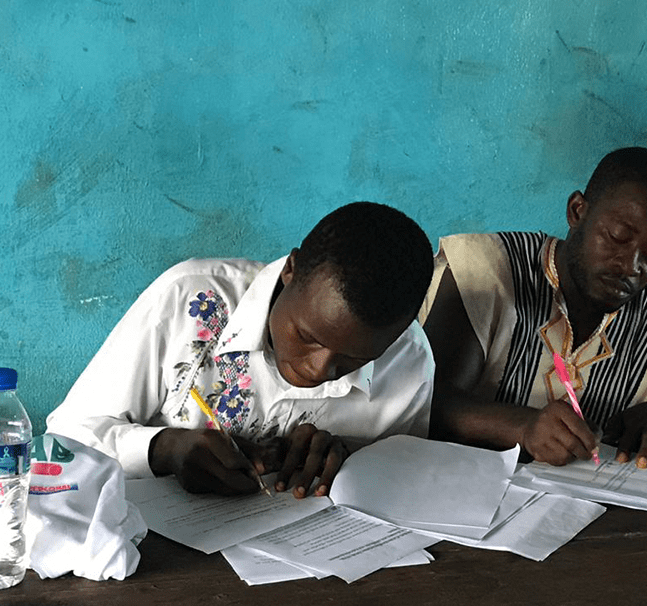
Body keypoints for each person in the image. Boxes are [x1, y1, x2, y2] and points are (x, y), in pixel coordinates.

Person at [47, 202, 435, 498]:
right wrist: (161, 449)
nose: (319, 370)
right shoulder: (192, 299)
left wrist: (354, 462)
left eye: (355, 358)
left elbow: (400, 489)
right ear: (291, 270)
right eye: (308, 336)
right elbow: (63, 442)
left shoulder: (408, 359)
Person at [421, 147, 647, 468]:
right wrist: (523, 427)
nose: (630, 266)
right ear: (577, 211)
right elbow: (430, 403)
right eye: (617, 237)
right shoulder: (489, 272)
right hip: (462, 494)